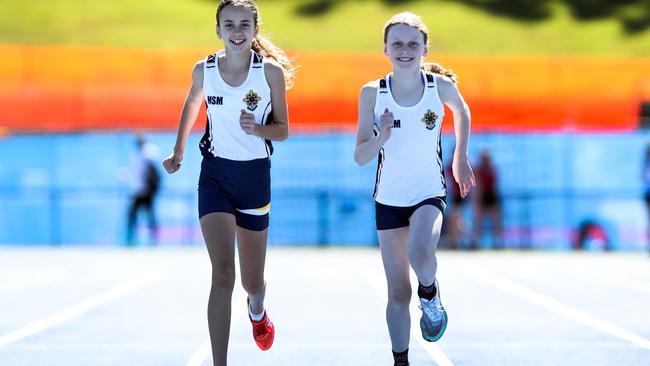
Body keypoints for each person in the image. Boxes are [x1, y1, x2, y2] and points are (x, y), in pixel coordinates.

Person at [162, 1, 295, 364]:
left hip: (254, 179)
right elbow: (191, 105)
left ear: (255, 29)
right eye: (229, 24)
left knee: (252, 283)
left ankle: (257, 310)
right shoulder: (204, 70)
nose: (237, 31)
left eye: (244, 24)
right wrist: (178, 152)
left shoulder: (269, 73)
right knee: (223, 274)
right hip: (215, 178)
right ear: (218, 30)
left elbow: (282, 130)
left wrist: (259, 128)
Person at [353, 12, 474, 366]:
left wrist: (460, 158)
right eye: (397, 44)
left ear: (424, 48)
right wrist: (381, 137)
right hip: (388, 201)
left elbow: (462, 111)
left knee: (422, 257)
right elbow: (361, 156)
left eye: (412, 44)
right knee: (397, 291)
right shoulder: (372, 93)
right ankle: (401, 360)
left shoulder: (439, 87)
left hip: (427, 194)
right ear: (385, 49)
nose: (405, 50)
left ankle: (430, 293)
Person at [126, 134, 160, 246]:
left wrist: (149, 186)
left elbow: (151, 171)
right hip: (140, 189)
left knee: (146, 214)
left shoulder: (147, 153)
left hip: (146, 190)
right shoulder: (143, 154)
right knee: (138, 214)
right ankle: (133, 238)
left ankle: (152, 238)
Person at [472, 149, 503, 249]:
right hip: (482, 197)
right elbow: (478, 186)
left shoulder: (492, 169)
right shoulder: (479, 170)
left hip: (491, 196)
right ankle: (477, 242)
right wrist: (477, 199)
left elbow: (495, 185)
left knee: (495, 220)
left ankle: (497, 242)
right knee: (479, 221)